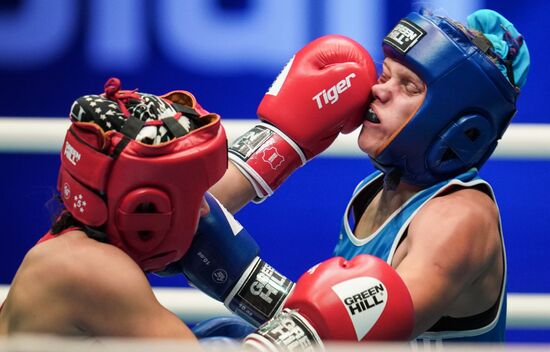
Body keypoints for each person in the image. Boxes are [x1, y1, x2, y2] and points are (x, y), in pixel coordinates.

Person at [204, 8, 530, 348]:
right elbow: (331, 324)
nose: (380, 91)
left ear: (460, 126)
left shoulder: (460, 218)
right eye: (385, 75)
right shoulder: (375, 191)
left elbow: (360, 338)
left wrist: (237, 273)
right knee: (218, 332)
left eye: (408, 86)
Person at [0, 77, 229, 341]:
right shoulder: (92, 269)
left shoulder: (70, 240)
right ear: (143, 205)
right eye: (194, 196)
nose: (204, 210)